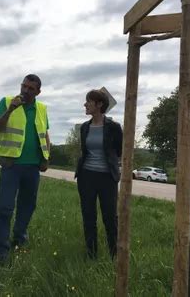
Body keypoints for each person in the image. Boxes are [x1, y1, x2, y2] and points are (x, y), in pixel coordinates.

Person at [0, 74, 50, 263]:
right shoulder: (7, 101)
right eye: (24, 86)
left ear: (38, 92)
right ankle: (1, 248)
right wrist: (10, 110)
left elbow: (45, 135)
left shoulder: (41, 108)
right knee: (5, 208)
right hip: (11, 165)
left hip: (33, 167)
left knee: (27, 206)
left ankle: (19, 238)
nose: (25, 90)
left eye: (31, 88)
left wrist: (46, 158)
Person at [75, 89, 122, 259]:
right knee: (89, 217)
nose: (85, 104)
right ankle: (91, 255)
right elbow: (84, 151)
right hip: (86, 176)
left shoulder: (114, 127)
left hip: (107, 177)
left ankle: (114, 255)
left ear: (99, 104)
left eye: (89, 101)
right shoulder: (85, 127)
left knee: (110, 217)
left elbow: (119, 150)